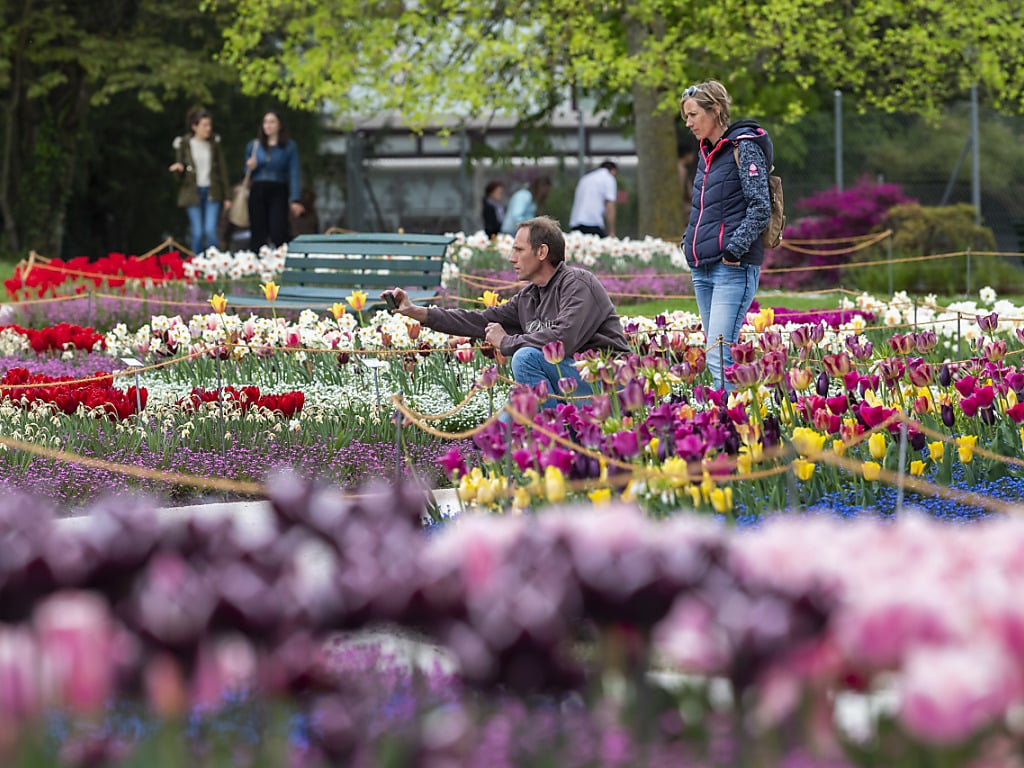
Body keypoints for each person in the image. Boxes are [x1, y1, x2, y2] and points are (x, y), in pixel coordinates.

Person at [385, 215, 629, 410]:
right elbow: (479, 320)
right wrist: (416, 312)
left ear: (542, 252)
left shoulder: (577, 284)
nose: (512, 259)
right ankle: (545, 436)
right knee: (499, 428)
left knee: (525, 358)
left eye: (519, 250)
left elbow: (563, 339)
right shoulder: (529, 297)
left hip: (609, 384)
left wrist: (507, 342)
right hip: (570, 385)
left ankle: (554, 436)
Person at [679, 80, 773, 391]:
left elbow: (761, 206)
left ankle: (733, 417)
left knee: (720, 356)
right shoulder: (707, 153)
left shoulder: (743, 148)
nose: (689, 123)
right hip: (702, 267)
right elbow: (703, 208)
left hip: (731, 268)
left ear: (715, 110)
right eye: (686, 117)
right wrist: (688, 242)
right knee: (716, 355)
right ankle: (727, 415)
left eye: (693, 115)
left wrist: (734, 249)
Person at [169, 108, 231, 255]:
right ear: (194, 127)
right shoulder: (184, 144)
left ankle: (214, 262)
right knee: (197, 232)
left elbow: (222, 170)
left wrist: (227, 196)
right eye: (204, 125)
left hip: (212, 191)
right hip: (192, 193)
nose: (208, 128)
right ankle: (197, 263)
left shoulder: (214, 143)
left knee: (210, 230)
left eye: (209, 125)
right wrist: (178, 170)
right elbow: (179, 177)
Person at [244, 111, 304, 249]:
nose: (268, 125)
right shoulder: (254, 145)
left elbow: (294, 172)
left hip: (278, 189)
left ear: (279, 125)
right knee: (258, 231)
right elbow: (246, 172)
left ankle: (283, 256)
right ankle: (257, 259)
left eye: (272, 122)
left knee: (278, 229)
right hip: (258, 188)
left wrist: (295, 199)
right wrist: (250, 166)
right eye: (265, 122)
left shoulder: (289, 146)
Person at [569, 160, 617, 238]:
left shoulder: (585, 178)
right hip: (592, 223)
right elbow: (610, 205)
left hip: (576, 223)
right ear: (613, 170)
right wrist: (612, 231)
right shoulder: (609, 178)